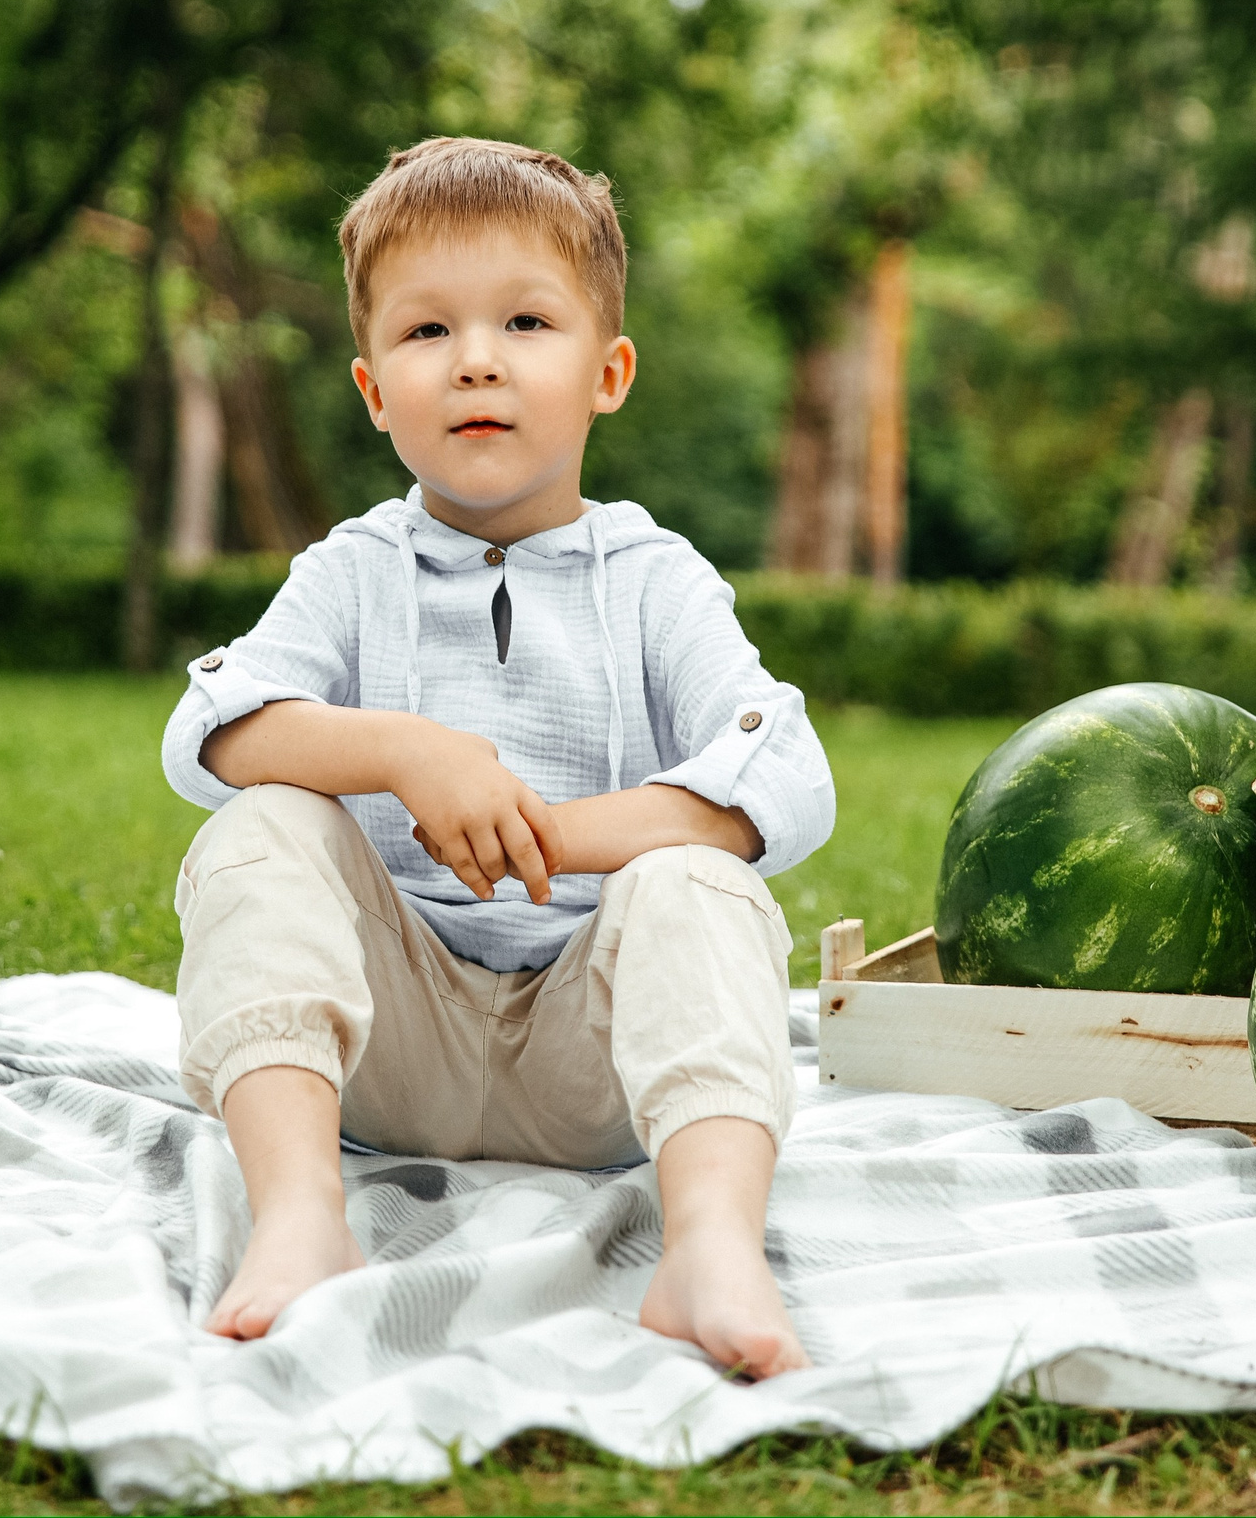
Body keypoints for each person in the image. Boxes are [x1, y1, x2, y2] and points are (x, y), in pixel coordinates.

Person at [160, 136, 836, 1379]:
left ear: (608, 372)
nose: (475, 358)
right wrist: (407, 751)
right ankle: (301, 1213)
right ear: (374, 392)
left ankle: (708, 1245)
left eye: (525, 320)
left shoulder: (656, 582)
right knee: (258, 827)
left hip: (594, 1066)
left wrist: (557, 837)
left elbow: (782, 775)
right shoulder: (353, 569)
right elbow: (211, 728)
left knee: (701, 881)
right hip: (382, 1047)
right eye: (427, 334)